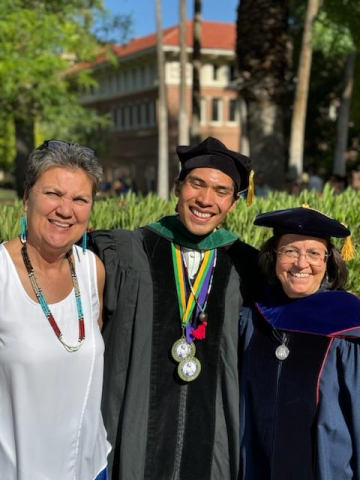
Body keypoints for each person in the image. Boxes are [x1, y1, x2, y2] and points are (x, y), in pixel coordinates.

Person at [90, 136, 260, 479]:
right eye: (196, 184)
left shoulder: (247, 265)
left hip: (212, 441)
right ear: (178, 186)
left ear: (234, 203)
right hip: (138, 432)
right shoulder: (128, 251)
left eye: (221, 191)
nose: (205, 200)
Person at [0, 140, 111, 479]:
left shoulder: (92, 270)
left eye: (80, 199)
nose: (66, 210)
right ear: (26, 198)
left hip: (91, 468)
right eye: (53, 194)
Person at [240, 205, 360, 480]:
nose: (300, 263)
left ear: (329, 261)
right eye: (290, 251)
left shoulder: (349, 323)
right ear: (274, 257)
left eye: (314, 253)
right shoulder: (253, 314)